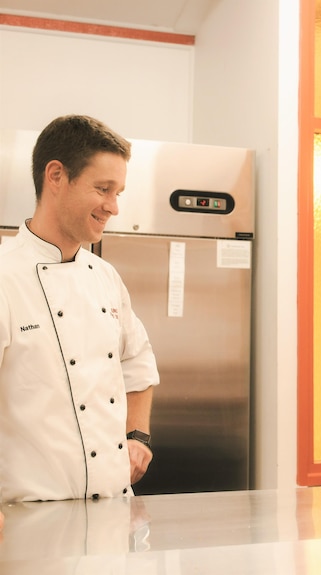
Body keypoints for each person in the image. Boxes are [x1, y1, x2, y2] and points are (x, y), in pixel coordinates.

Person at [0, 115, 159, 528]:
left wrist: (137, 436)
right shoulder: (5, 278)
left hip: (112, 515)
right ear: (56, 176)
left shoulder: (105, 277)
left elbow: (138, 362)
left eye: (118, 192)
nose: (114, 206)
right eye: (103, 189)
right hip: (26, 520)